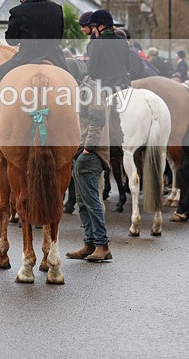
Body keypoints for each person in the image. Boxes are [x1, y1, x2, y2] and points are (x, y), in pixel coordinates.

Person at [0, 0, 68, 145]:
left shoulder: (17, 11)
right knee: (77, 87)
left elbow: (11, 41)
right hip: (56, 59)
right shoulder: (56, 9)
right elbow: (58, 36)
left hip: (25, 59)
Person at [66, 77, 112, 262]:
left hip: (90, 154)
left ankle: (102, 246)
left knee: (92, 200)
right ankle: (90, 243)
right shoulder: (84, 90)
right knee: (81, 201)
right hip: (82, 153)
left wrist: (88, 148)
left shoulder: (91, 90)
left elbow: (98, 119)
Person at [86, 9, 130, 92]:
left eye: (93, 27)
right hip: (125, 87)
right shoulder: (123, 41)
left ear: (101, 26)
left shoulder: (96, 43)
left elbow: (91, 71)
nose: (93, 30)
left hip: (106, 89)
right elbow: (128, 67)